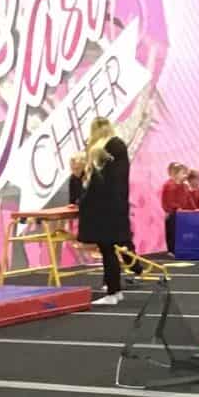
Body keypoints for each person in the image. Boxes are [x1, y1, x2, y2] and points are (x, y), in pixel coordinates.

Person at [77, 116, 136, 306]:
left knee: (107, 250)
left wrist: (83, 201)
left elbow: (97, 183)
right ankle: (115, 289)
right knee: (110, 249)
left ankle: (113, 291)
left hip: (105, 209)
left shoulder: (101, 149)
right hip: (117, 205)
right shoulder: (119, 146)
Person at [160, 163, 188, 253]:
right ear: (175, 174)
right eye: (183, 173)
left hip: (181, 212)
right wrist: (175, 208)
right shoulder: (169, 185)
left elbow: (185, 198)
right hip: (172, 212)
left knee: (179, 231)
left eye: (185, 173)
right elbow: (169, 201)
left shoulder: (182, 185)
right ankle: (172, 250)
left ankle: (179, 248)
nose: (185, 175)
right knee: (172, 232)